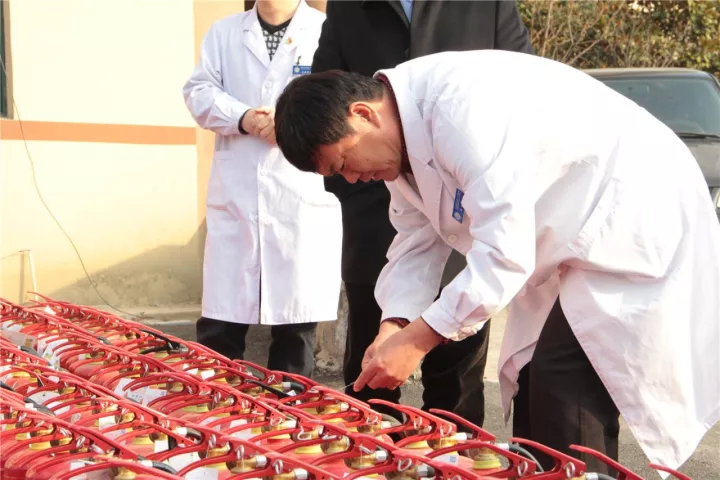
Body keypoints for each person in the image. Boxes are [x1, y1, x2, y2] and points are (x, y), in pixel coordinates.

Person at [272, 50, 720, 473]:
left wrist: (419, 340)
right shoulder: (400, 143)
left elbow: (504, 254)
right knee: (532, 384)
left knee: (562, 380)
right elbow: (414, 244)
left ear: (363, 114)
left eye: (344, 162)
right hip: (571, 237)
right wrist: (394, 325)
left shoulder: (457, 111)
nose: (354, 177)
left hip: (631, 210)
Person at [310, 0, 533, 428]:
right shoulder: (348, 7)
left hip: (481, 208)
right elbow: (325, 107)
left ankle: (453, 453)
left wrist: (418, 338)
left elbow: (516, 82)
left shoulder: (465, 96)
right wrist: (396, 324)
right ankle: (375, 456)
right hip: (380, 206)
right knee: (372, 378)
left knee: (462, 374)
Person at [183, 0, 341, 378]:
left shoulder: (327, 31)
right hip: (237, 195)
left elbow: (343, 100)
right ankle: (219, 407)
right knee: (221, 325)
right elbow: (198, 92)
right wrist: (243, 117)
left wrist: (288, 123)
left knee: (295, 328)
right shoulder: (224, 33)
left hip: (300, 195)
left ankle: (288, 412)